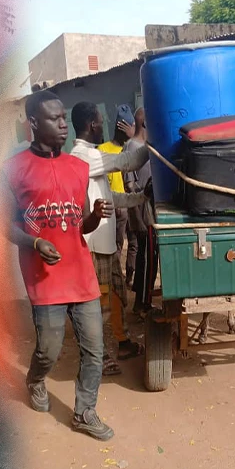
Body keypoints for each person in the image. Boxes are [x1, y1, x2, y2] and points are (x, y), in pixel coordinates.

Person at [1, 90, 114, 441]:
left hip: (81, 275)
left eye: (64, 118)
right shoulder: (14, 170)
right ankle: (35, 379)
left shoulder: (77, 168)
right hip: (44, 278)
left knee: (94, 349)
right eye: (54, 119)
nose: (64, 125)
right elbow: (5, 225)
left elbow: (80, 224)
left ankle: (85, 412)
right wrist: (34, 242)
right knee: (48, 350)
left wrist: (94, 217)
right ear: (33, 123)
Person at [68, 102, 151, 374]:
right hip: (94, 245)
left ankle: (122, 342)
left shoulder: (91, 155)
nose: (103, 125)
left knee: (117, 295)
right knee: (98, 304)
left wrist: (140, 197)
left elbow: (110, 198)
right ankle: (98, 357)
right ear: (92, 125)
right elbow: (128, 161)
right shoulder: (83, 156)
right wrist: (153, 142)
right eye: (101, 120)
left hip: (106, 244)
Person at [125, 107, 160, 319]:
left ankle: (142, 300)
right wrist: (137, 216)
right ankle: (143, 303)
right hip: (143, 213)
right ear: (145, 123)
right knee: (147, 259)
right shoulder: (132, 148)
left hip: (149, 213)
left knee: (148, 258)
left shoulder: (146, 147)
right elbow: (130, 186)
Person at [96, 105, 133, 289]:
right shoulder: (128, 150)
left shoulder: (104, 149)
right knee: (118, 246)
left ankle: (118, 279)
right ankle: (117, 281)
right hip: (116, 207)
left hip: (118, 207)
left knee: (119, 246)